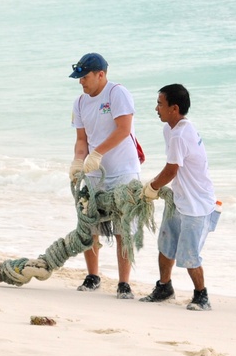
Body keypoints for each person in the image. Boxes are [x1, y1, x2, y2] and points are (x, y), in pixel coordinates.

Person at [68, 53, 142, 298]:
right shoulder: (79, 103)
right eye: (79, 77)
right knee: (89, 223)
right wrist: (79, 160)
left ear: (101, 74)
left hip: (123, 170)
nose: (81, 82)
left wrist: (97, 152)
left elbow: (124, 130)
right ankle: (93, 276)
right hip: (94, 173)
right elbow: (81, 139)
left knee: (123, 226)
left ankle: (124, 283)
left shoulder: (116, 93)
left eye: (85, 77)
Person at [140, 84, 218, 311]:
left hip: (196, 205)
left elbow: (171, 170)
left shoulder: (181, 134)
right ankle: (164, 288)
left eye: (160, 104)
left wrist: (151, 187)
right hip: (178, 199)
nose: (156, 108)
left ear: (174, 108)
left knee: (189, 255)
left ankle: (201, 296)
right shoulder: (171, 129)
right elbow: (174, 170)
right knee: (166, 244)